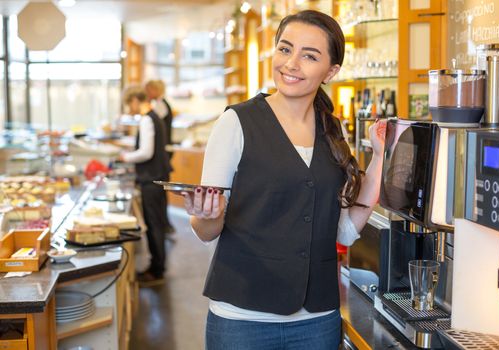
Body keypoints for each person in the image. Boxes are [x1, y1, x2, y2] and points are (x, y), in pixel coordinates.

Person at [182, 10, 386, 349]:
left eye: (309, 56)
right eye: (285, 49)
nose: (291, 63)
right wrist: (208, 216)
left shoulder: (331, 131)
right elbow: (205, 232)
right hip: (242, 320)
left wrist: (379, 156)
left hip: (317, 320)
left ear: (331, 71)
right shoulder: (236, 123)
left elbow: (344, 232)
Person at [118, 85, 172, 285]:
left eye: (128, 104)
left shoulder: (147, 119)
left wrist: (125, 157)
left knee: (155, 225)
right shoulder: (152, 117)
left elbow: (146, 152)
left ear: (134, 100)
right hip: (156, 177)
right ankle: (156, 266)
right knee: (156, 223)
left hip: (152, 180)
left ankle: (157, 270)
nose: (128, 109)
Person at [145, 79, 176, 236]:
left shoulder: (159, 106)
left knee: (160, 192)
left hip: (161, 156)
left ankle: (163, 224)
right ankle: (164, 224)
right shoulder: (161, 104)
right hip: (163, 154)